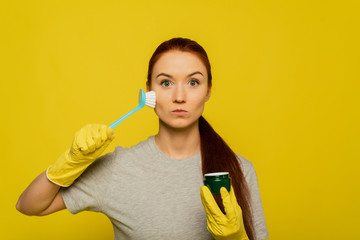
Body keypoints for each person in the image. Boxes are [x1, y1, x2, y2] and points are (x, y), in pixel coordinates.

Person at [16, 37, 269, 240]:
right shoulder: (119, 168)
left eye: (193, 82)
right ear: (149, 90)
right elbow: (29, 206)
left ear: (208, 91)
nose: (179, 96)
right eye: (166, 83)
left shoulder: (238, 170)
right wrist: (69, 162)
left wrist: (236, 239)